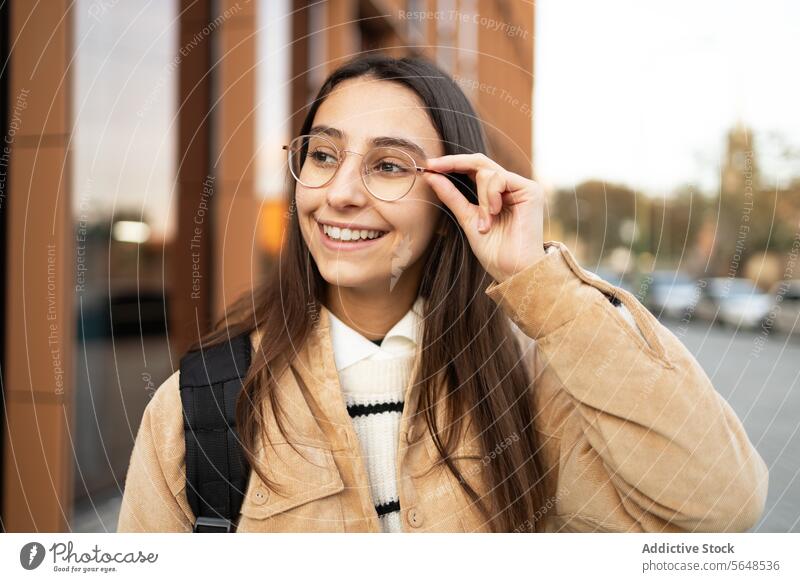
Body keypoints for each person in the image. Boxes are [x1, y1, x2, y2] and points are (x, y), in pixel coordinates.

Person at [117, 54, 768, 533]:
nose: (341, 192)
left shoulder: (531, 391)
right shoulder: (200, 406)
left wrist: (537, 281)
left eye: (389, 165)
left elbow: (720, 504)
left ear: (450, 197)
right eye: (323, 155)